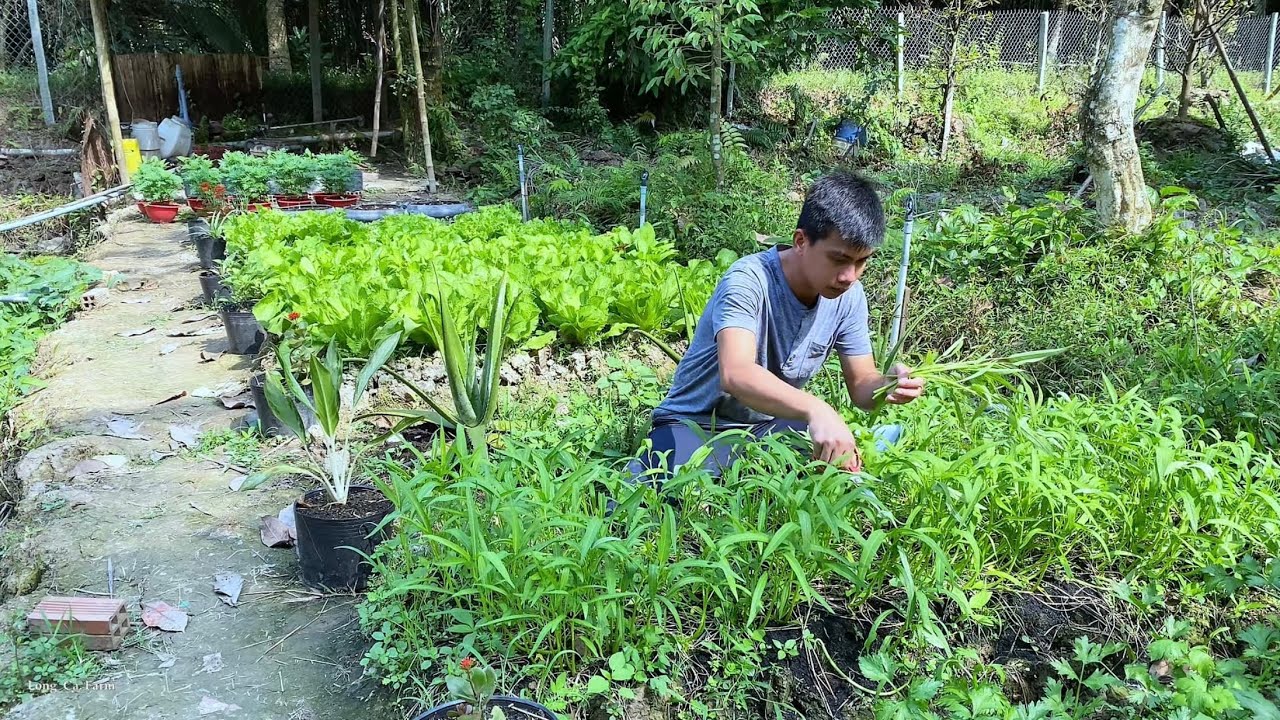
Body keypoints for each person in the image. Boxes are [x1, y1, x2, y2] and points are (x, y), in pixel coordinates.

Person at [632, 171, 924, 479]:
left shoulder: (849, 297)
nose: (850, 276)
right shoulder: (748, 280)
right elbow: (737, 374)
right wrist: (818, 410)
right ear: (801, 241)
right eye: (838, 259)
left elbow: (861, 385)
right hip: (696, 423)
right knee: (659, 497)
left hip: (769, 426)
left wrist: (886, 386)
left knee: (840, 470)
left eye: (861, 262)